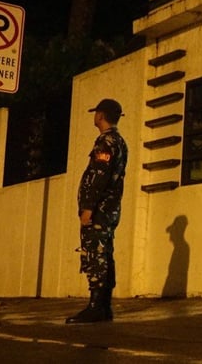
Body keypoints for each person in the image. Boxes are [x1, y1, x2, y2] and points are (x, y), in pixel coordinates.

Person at [66, 98, 128, 323]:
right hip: (110, 208)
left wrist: (88, 208)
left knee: (96, 254)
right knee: (105, 252)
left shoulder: (105, 142)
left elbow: (98, 177)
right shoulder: (119, 142)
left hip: (100, 209)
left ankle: (96, 307)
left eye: (96, 113)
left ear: (100, 115)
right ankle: (104, 306)